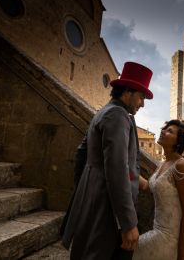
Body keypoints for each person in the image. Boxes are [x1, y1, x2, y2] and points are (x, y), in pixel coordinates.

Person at [61, 62, 153, 259]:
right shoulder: (118, 116)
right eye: (141, 96)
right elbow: (117, 169)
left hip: (95, 198)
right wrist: (128, 223)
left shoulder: (104, 111)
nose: (142, 103)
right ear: (128, 92)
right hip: (108, 209)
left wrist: (86, 189)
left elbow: (81, 154)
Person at [133, 120, 184, 260]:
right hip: (159, 232)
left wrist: (182, 255)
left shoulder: (182, 166)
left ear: (178, 142)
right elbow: (147, 186)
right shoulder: (164, 164)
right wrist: (127, 171)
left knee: (129, 252)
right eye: (164, 129)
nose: (163, 131)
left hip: (174, 238)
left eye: (170, 131)